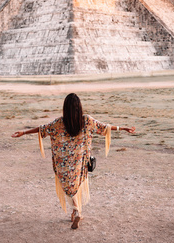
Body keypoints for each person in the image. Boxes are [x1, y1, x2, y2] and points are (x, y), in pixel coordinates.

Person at [11, 93, 135, 229]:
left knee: (68, 189)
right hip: (79, 163)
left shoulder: (58, 123)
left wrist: (24, 132)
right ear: (79, 107)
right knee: (76, 187)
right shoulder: (87, 121)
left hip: (63, 165)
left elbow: (42, 129)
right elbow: (104, 127)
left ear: (65, 108)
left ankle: (76, 210)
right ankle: (75, 211)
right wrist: (122, 128)